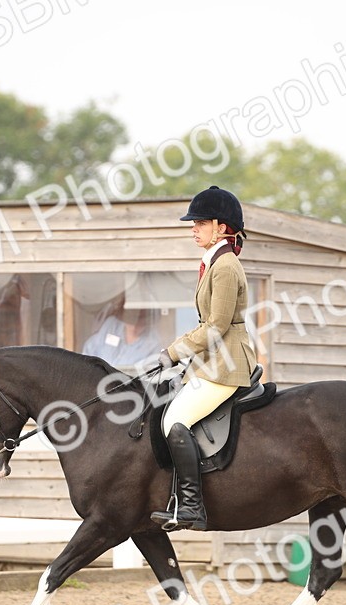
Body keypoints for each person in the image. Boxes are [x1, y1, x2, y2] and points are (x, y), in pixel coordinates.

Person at [150, 186, 258, 532]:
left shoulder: (225, 267)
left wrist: (173, 351)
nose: (193, 229)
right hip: (211, 361)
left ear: (221, 227)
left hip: (226, 363)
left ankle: (192, 507)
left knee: (174, 421)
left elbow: (216, 325)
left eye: (199, 223)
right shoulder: (214, 262)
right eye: (193, 223)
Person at [82, 305, 162, 366]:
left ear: (148, 322)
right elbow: (90, 348)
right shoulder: (112, 326)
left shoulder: (153, 344)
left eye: (140, 322)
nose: (134, 326)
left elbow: (150, 377)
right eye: (131, 320)